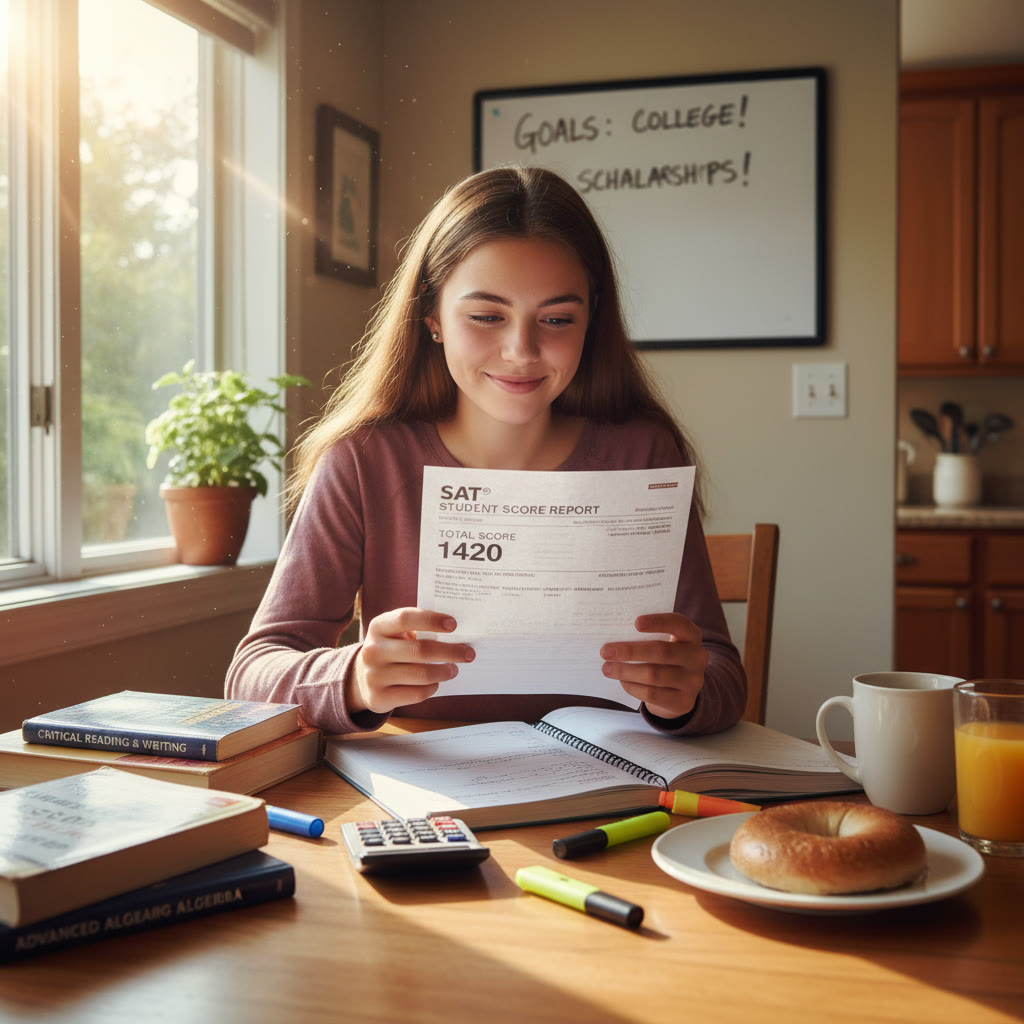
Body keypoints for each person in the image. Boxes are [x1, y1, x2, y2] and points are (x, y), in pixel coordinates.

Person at [226, 165, 745, 736]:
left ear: (591, 322)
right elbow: (253, 673)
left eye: (556, 318)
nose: (521, 350)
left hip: (620, 790)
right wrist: (355, 678)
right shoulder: (365, 460)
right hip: (422, 792)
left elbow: (721, 674)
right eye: (486, 316)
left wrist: (685, 694)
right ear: (432, 316)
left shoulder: (643, 452)